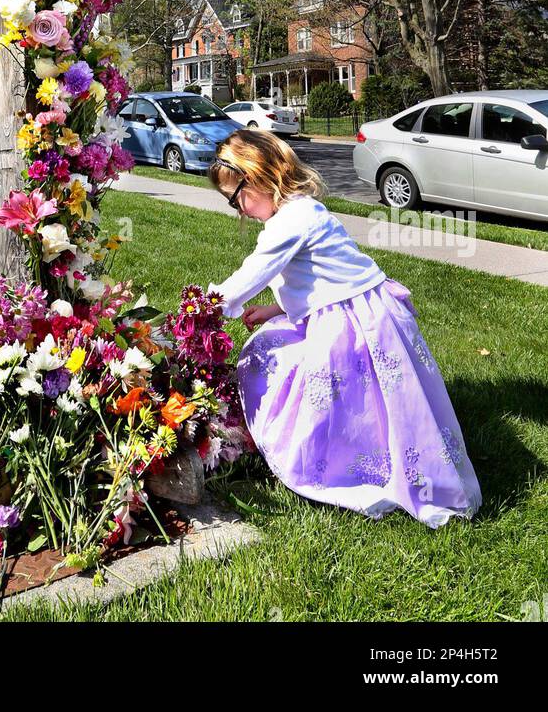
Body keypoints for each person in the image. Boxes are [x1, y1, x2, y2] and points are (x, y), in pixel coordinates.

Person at [207, 128, 482, 527]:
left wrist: (208, 304)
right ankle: (370, 452)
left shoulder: (291, 221)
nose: (240, 210)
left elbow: (253, 272)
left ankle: (338, 463)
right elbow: (314, 278)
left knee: (325, 383)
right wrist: (273, 309)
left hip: (353, 321)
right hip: (359, 309)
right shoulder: (300, 210)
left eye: (237, 198)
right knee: (376, 394)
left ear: (259, 177)